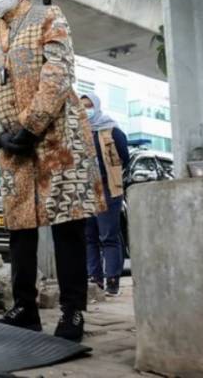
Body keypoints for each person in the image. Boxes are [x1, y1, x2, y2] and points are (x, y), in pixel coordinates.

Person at [0, 0, 105, 342]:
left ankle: (73, 312)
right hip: (13, 146)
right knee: (20, 228)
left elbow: (58, 74)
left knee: (67, 227)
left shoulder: (48, 16)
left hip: (57, 140)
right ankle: (24, 309)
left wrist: (30, 127)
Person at [81, 93, 130, 296]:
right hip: (86, 189)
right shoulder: (78, 132)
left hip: (108, 187)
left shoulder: (112, 130)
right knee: (89, 236)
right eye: (82, 106)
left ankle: (112, 281)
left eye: (89, 105)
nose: (86, 110)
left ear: (97, 106)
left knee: (108, 236)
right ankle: (95, 279)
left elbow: (124, 158)